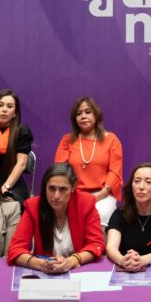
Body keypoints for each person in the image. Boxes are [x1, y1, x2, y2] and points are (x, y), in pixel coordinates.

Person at [7, 163, 105, 273]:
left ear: (73, 187)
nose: (56, 196)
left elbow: (96, 244)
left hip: (77, 272)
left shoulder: (86, 203)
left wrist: (72, 261)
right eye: (51, 189)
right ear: (45, 188)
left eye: (63, 189)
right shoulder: (33, 206)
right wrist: (41, 264)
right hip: (44, 273)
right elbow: (15, 250)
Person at [55, 97, 123, 227]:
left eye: (87, 112)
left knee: (101, 214)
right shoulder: (67, 140)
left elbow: (115, 172)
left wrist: (101, 194)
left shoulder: (111, 140)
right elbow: (60, 172)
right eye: (79, 114)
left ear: (96, 115)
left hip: (103, 194)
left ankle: (99, 248)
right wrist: (72, 194)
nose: (83, 116)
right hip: (72, 194)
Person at [105, 162, 151, 271]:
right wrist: (123, 261)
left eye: (148, 182)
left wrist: (142, 260)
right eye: (137, 181)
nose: (141, 187)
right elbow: (111, 248)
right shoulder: (119, 214)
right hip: (127, 271)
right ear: (131, 186)